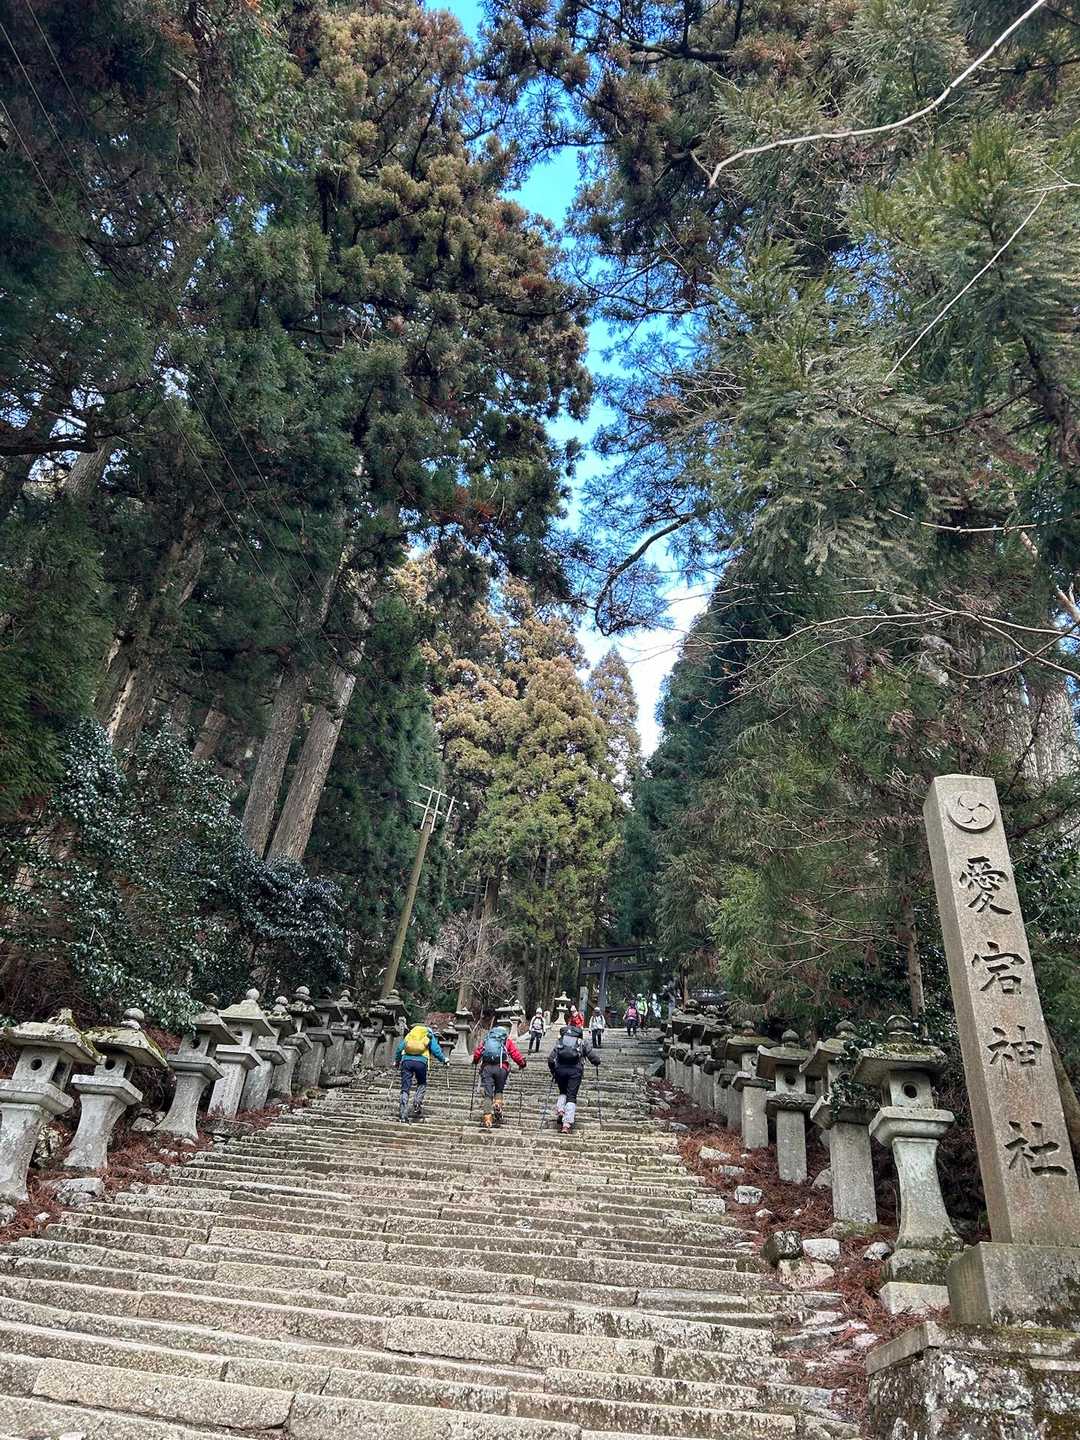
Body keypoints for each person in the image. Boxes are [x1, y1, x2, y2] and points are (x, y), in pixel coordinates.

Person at [547, 1021, 600, 1134]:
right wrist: (597, 1062)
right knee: (571, 1096)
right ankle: (566, 1124)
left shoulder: (560, 1041)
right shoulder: (581, 1042)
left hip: (560, 1071)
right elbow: (593, 1057)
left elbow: (551, 1059)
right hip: (575, 1072)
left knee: (562, 1091)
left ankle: (561, 1110)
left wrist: (553, 1071)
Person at [472, 1023, 526, 1129]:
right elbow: (515, 1053)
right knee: (499, 1090)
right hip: (501, 1068)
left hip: (487, 1068)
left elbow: (478, 1053)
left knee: (488, 1094)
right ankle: (497, 1103)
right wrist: (522, 1063)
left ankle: (487, 1118)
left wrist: (475, 1061)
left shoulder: (487, 1039)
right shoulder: (506, 1040)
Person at [394, 1021, 447, 1122]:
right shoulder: (428, 1034)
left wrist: (397, 1061)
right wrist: (443, 1059)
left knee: (405, 1087)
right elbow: (435, 1050)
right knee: (422, 1083)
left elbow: (400, 1048)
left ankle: (403, 1112)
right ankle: (417, 1102)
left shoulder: (410, 1034)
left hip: (407, 1062)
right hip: (421, 1062)